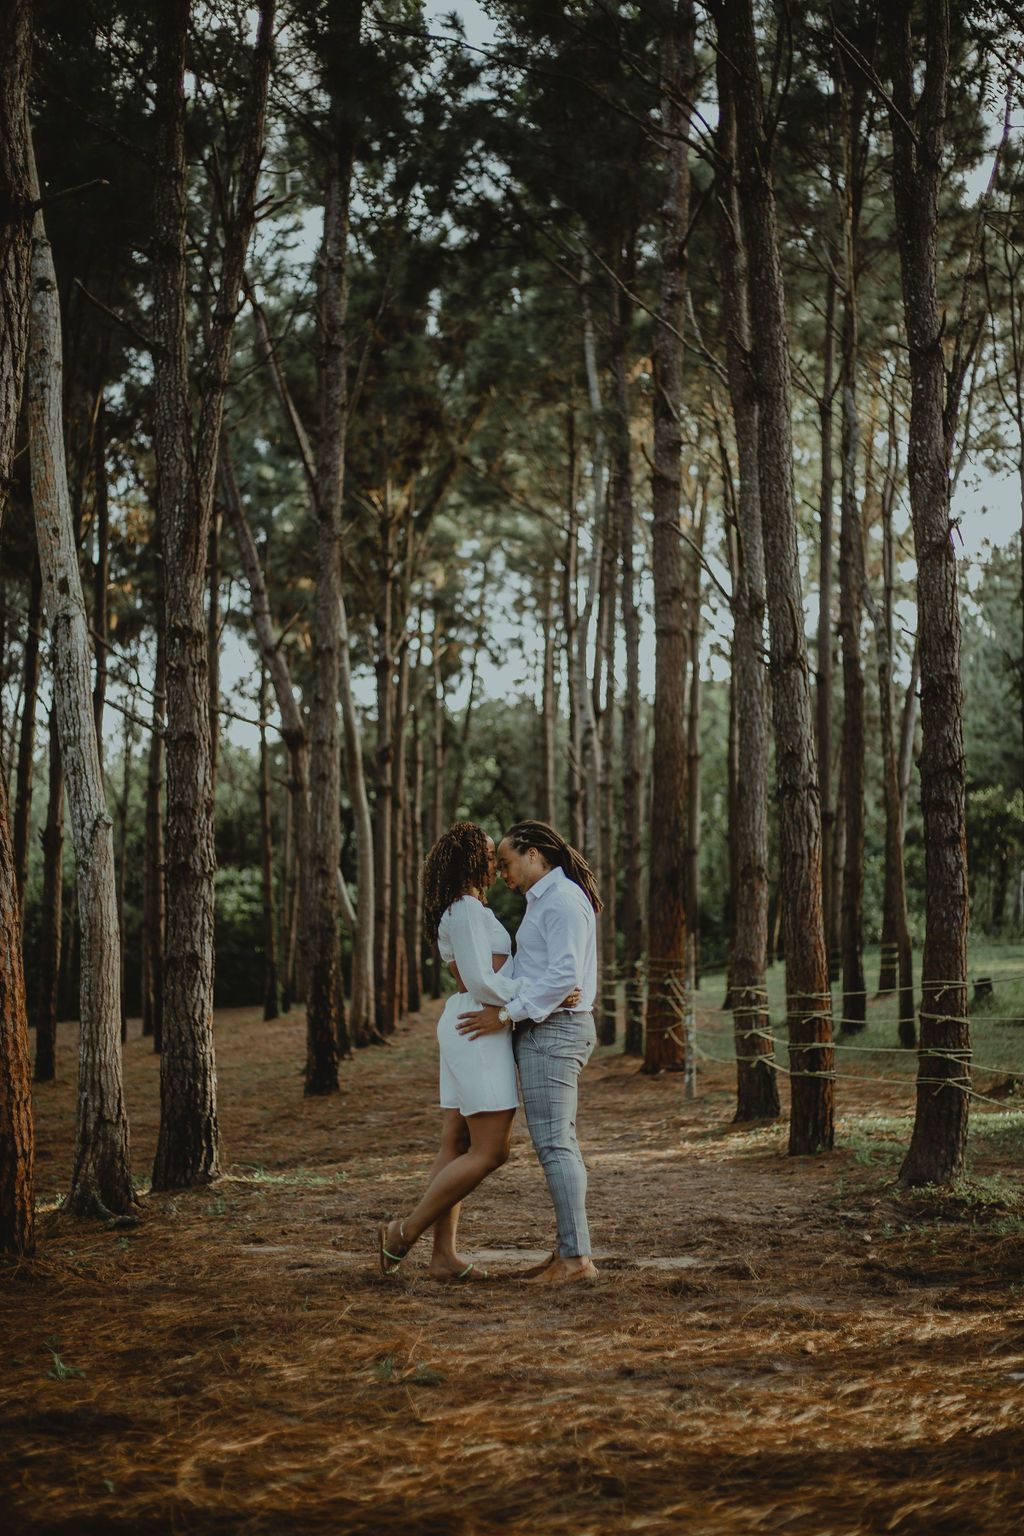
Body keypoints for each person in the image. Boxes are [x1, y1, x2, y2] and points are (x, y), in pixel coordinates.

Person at [378, 822, 560, 1281]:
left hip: (473, 1020)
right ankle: (403, 1232)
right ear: (468, 861)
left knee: (455, 1142)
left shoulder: (467, 908)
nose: (496, 863)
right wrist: (533, 991)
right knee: (491, 1150)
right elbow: (480, 978)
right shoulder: (464, 909)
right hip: (479, 1024)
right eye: (488, 855)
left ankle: (443, 1257)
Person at [457, 820, 601, 1289]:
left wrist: (504, 1016)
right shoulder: (546, 902)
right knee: (555, 1143)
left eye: (507, 862)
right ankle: (567, 1249)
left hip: (554, 1032)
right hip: (547, 1026)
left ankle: (576, 1259)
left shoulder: (561, 900)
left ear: (535, 854)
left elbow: (563, 978)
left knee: (556, 1144)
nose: (502, 873)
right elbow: (548, 977)